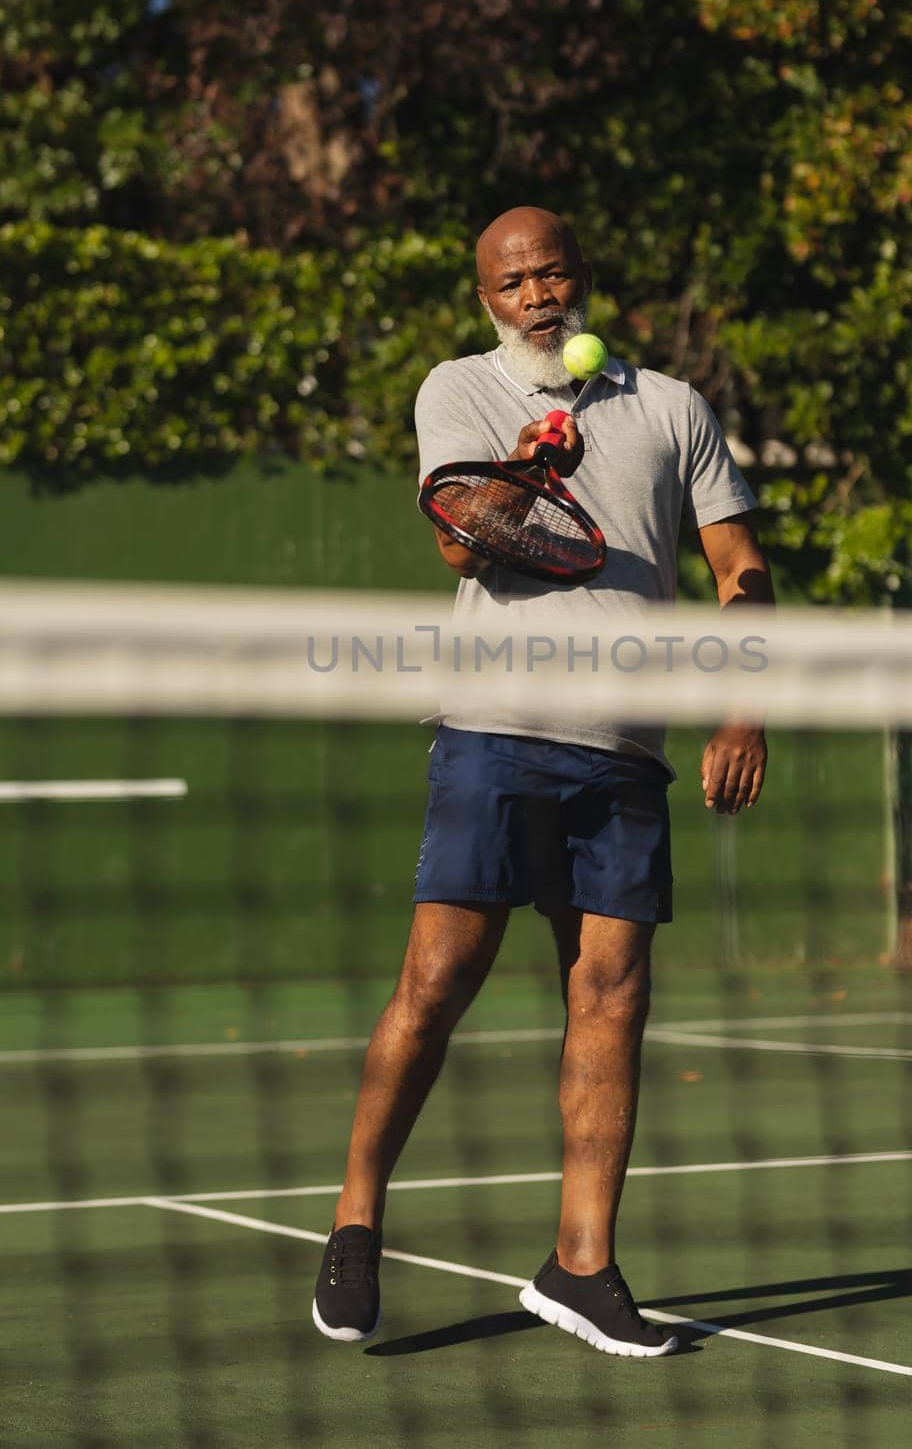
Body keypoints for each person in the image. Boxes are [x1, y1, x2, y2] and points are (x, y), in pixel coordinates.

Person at [313, 206, 775, 1357]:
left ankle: (580, 1264)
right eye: (512, 281)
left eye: (551, 272)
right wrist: (526, 467)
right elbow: (462, 547)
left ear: (580, 277)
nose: (536, 295)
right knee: (434, 981)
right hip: (496, 727)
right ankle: (355, 1220)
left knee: (610, 993)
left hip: (623, 749)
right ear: (487, 299)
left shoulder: (671, 405)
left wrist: (743, 702)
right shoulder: (457, 392)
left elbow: (739, 568)